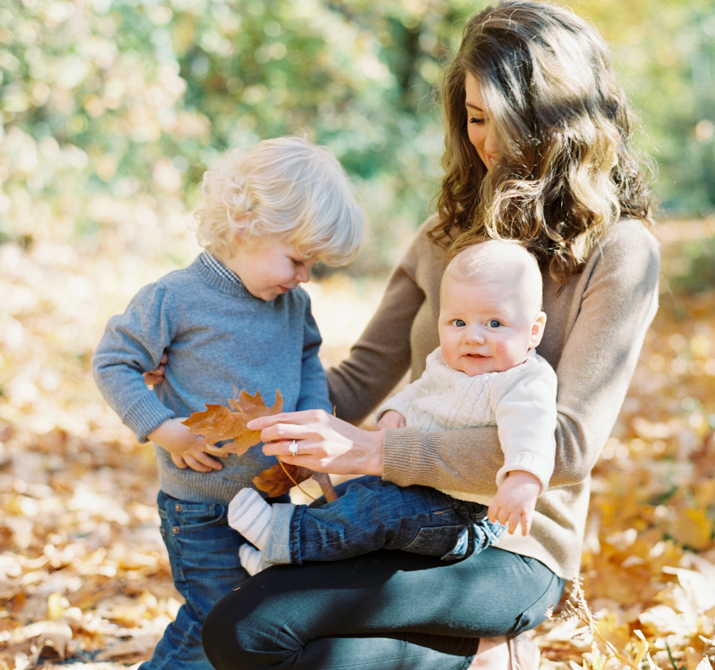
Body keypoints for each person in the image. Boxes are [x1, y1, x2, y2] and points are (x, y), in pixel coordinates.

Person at [201, 1, 661, 668]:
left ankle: (488, 642)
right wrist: (230, 393)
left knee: (255, 629)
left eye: (504, 121)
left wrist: (376, 454)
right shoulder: (444, 234)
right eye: (474, 118)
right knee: (262, 635)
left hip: (509, 547)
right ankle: (481, 658)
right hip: (393, 519)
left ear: (559, 122)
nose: (487, 142)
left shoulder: (619, 252)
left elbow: (565, 447)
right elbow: (358, 379)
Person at [92, 135, 364, 670]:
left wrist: (312, 423)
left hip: (273, 498)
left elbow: (308, 358)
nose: (305, 276)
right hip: (201, 505)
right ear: (246, 227)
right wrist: (164, 429)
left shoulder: (292, 304)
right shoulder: (175, 298)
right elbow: (113, 362)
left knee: (258, 618)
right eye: (298, 259)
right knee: (213, 618)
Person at [228, 238, 557, 576]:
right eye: (458, 323)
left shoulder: (523, 382)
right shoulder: (446, 364)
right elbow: (417, 392)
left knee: (372, 511)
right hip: (417, 486)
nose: (472, 337)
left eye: (494, 323)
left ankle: (286, 538)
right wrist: (394, 413)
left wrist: (522, 479)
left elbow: (531, 430)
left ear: (534, 331)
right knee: (350, 494)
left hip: (463, 513)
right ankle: (279, 558)